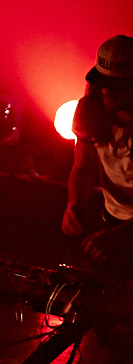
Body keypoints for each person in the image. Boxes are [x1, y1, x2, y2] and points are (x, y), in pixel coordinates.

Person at [64, 35, 133, 267]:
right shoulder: (89, 112)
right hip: (113, 220)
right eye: (102, 82)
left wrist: (121, 238)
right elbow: (83, 168)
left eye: (117, 86)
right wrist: (73, 206)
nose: (105, 91)